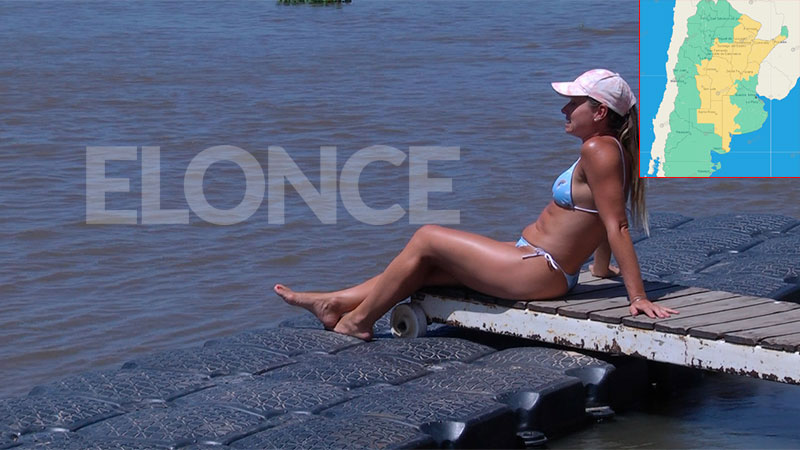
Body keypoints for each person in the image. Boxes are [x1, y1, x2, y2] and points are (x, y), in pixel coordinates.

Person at [275, 69, 678, 340]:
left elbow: (616, 224)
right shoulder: (608, 149)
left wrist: (637, 297)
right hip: (532, 262)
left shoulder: (598, 150)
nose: (564, 109)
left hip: (540, 271)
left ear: (600, 111)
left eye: (574, 103)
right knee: (425, 266)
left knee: (428, 237)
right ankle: (334, 303)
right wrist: (600, 268)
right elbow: (600, 214)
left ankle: (359, 322)